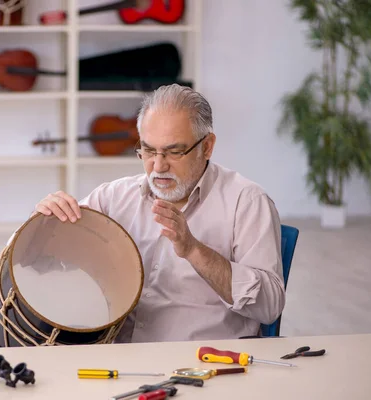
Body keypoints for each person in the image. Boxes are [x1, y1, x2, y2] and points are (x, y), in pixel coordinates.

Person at [33, 84, 286, 343]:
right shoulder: (114, 197)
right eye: (149, 150)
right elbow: (32, 261)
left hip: (202, 364)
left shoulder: (247, 202)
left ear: (207, 146)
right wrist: (43, 222)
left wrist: (194, 251)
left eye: (175, 152)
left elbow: (269, 307)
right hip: (115, 360)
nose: (158, 165)